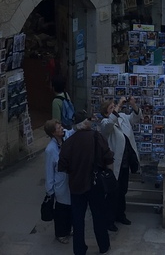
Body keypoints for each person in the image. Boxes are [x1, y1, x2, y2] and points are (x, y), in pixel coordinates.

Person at [58, 110, 114, 255]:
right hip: (95, 184)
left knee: (78, 220)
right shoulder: (97, 137)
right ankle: (103, 245)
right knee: (98, 216)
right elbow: (108, 159)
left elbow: (62, 166)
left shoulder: (69, 143)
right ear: (86, 122)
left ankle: (79, 249)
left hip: (76, 185)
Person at [98, 96, 140, 228]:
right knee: (113, 192)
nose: (115, 109)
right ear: (106, 112)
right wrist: (118, 107)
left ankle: (120, 215)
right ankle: (109, 220)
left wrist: (133, 105)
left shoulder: (122, 117)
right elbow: (109, 125)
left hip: (125, 162)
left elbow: (135, 118)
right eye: (111, 108)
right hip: (115, 163)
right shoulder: (105, 123)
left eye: (114, 106)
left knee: (122, 190)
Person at [43, 119, 73, 243]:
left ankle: (68, 228)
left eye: (60, 125)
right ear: (53, 132)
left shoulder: (65, 137)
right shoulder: (50, 149)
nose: (61, 128)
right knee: (61, 209)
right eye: (58, 127)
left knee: (69, 207)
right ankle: (60, 233)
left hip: (69, 181)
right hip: (59, 184)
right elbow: (49, 171)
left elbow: (73, 130)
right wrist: (50, 190)